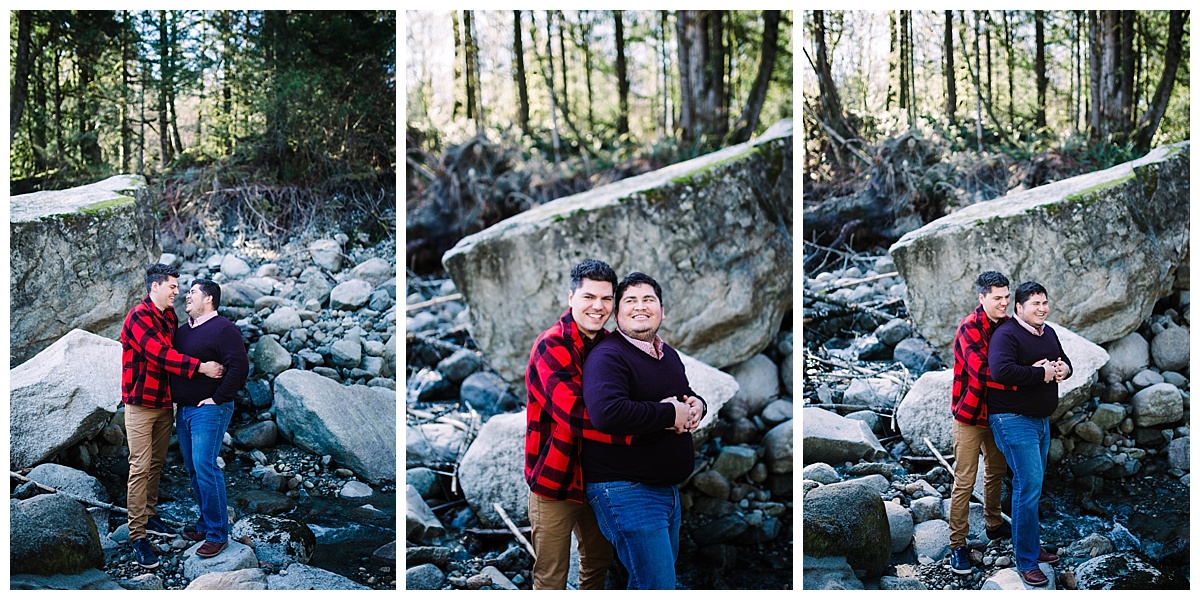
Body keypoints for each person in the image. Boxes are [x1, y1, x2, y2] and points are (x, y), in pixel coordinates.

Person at [582, 272, 705, 590]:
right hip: (625, 490)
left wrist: (696, 405)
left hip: (666, 491)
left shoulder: (668, 354)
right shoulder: (608, 356)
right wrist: (669, 414)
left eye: (648, 300)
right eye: (630, 301)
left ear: (662, 311)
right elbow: (607, 414)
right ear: (617, 313)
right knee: (658, 587)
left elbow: (683, 393)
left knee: (652, 583)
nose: (641, 307)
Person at [523, 259, 628, 590]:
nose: (598, 307)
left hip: (599, 479)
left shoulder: (613, 346)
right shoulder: (550, 345)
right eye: (588, 297)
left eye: (606, 299)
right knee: (551, 576)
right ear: (571, 298)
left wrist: (690, 402)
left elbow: (642, 388)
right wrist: (644, 428)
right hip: (557, 481)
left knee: (597, 563)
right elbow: (575, 415)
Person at [121, 264, 224, 569]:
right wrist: (200, 367)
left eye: (179, 288)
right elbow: (160, 355)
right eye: (173, 287)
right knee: (139, 466)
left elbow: (180, 344)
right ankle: (137, 535)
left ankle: (150, 515)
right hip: (140, 403)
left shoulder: (169, 316)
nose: (177, 292)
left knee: (156, 463)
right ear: (155, 287)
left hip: (165, 403)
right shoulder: (139, 316)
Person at [987, 281, 1070, 587]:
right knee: (1027, 485)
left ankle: (1033, 549)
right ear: (1019, 308)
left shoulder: (1047, 332)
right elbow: (1001, 371)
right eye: (1035, 303)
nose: (1042, 308)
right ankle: (1025, 561)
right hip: (1011, 419)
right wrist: (1041, 373)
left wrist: (1063, 371)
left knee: (1033, 485)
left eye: (1044, 302)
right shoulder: (1006, 334)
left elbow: (1065, 361)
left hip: (1040, 421)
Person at [170, 279, 249, 559]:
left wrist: (218, 398)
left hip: (210, 409)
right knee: (193, 468)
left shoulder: (223, 329)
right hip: (186, 410)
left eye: (193, 293)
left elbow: (239, 366)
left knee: (206, 466)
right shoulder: (181, 333)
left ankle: (217, 534)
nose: (186, 296)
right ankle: (205, 525)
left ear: (209, 300)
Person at [948, 271, 1013, 575]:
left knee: (997, 471)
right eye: (998, 298)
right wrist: (1026, 377)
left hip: (997, 415)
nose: (1004, 302)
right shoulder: (968, 328)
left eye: (1007, 297)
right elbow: (985, 373)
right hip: (970, 416)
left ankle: (994, 525)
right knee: (964, 480)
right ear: (982, 298)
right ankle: (957, 544)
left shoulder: (1008, 326)